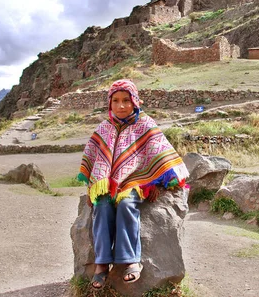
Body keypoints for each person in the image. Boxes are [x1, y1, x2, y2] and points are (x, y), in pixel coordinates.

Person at [77, 79, 189, 289]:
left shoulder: (145, 124)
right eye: (116, 101)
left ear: (135, 101)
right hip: (108, 184)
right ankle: (102, 262)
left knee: (127, 205)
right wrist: (93, 189)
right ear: (109, 103)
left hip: (137, 181)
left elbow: (159, 155)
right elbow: (95, 162)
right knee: (102, 205)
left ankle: (130, 260)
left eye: (126, 100)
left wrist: (155, 182)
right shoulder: (104, 128)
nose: (121, 106)